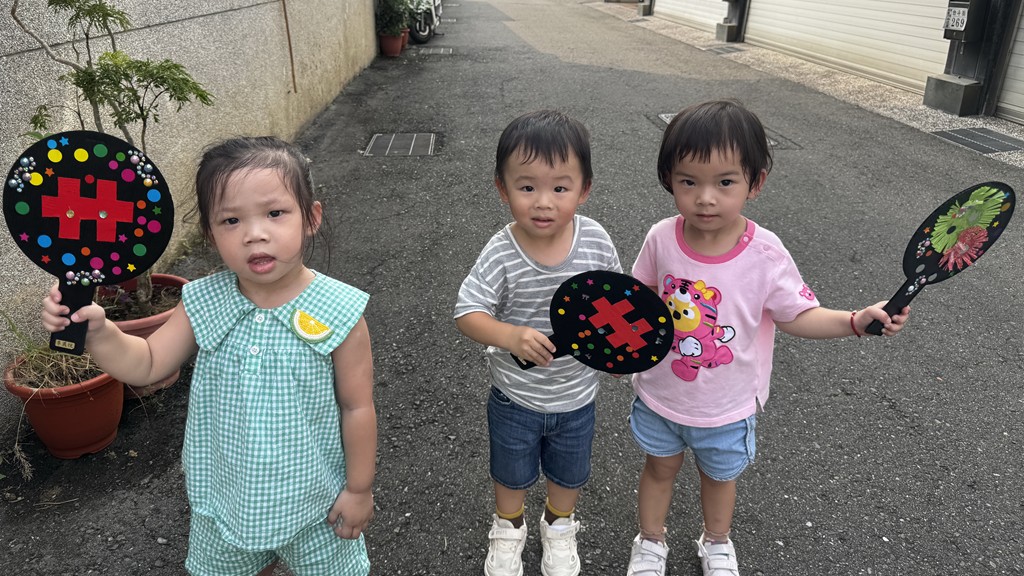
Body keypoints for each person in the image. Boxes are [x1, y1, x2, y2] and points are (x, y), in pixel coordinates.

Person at [41, 136, 377, 576]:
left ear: (311, 217)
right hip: (225, 504)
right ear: (210, 233)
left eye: (275, 213)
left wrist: (358, 490)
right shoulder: (203, 300)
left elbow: (357, 407)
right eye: (231, 220)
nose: (254, 234)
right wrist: (99, 332)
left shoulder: (339, 310)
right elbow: (147, 362)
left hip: (318, 503)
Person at [623, 100, 910, 576]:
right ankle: (651, 540)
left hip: (727, 405)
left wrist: (855, 321)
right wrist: (618, 343)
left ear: (755, 182)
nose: (705, 198)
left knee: (720, 478)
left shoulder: (765, 253)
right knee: (658, 469)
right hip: (660, 395)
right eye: (688, 182)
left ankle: (717, 541)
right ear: (668, 178)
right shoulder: (661, 238)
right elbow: (640, 299)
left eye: (725, 182)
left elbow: (798, 315)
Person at [454, 110, 622, 576]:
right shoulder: (502, 251)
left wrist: (616, 353)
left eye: (560, 188)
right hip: (515, 395)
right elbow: (467, 312)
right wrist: (510, 335)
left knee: (569, 473)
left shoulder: (595, 240)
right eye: (527, 187)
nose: (543, 202)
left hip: (577, 396)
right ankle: (508, 527)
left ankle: (559, 525)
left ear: (584, 189)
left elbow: (617, 302)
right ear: (502, 188)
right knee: (510, 473)